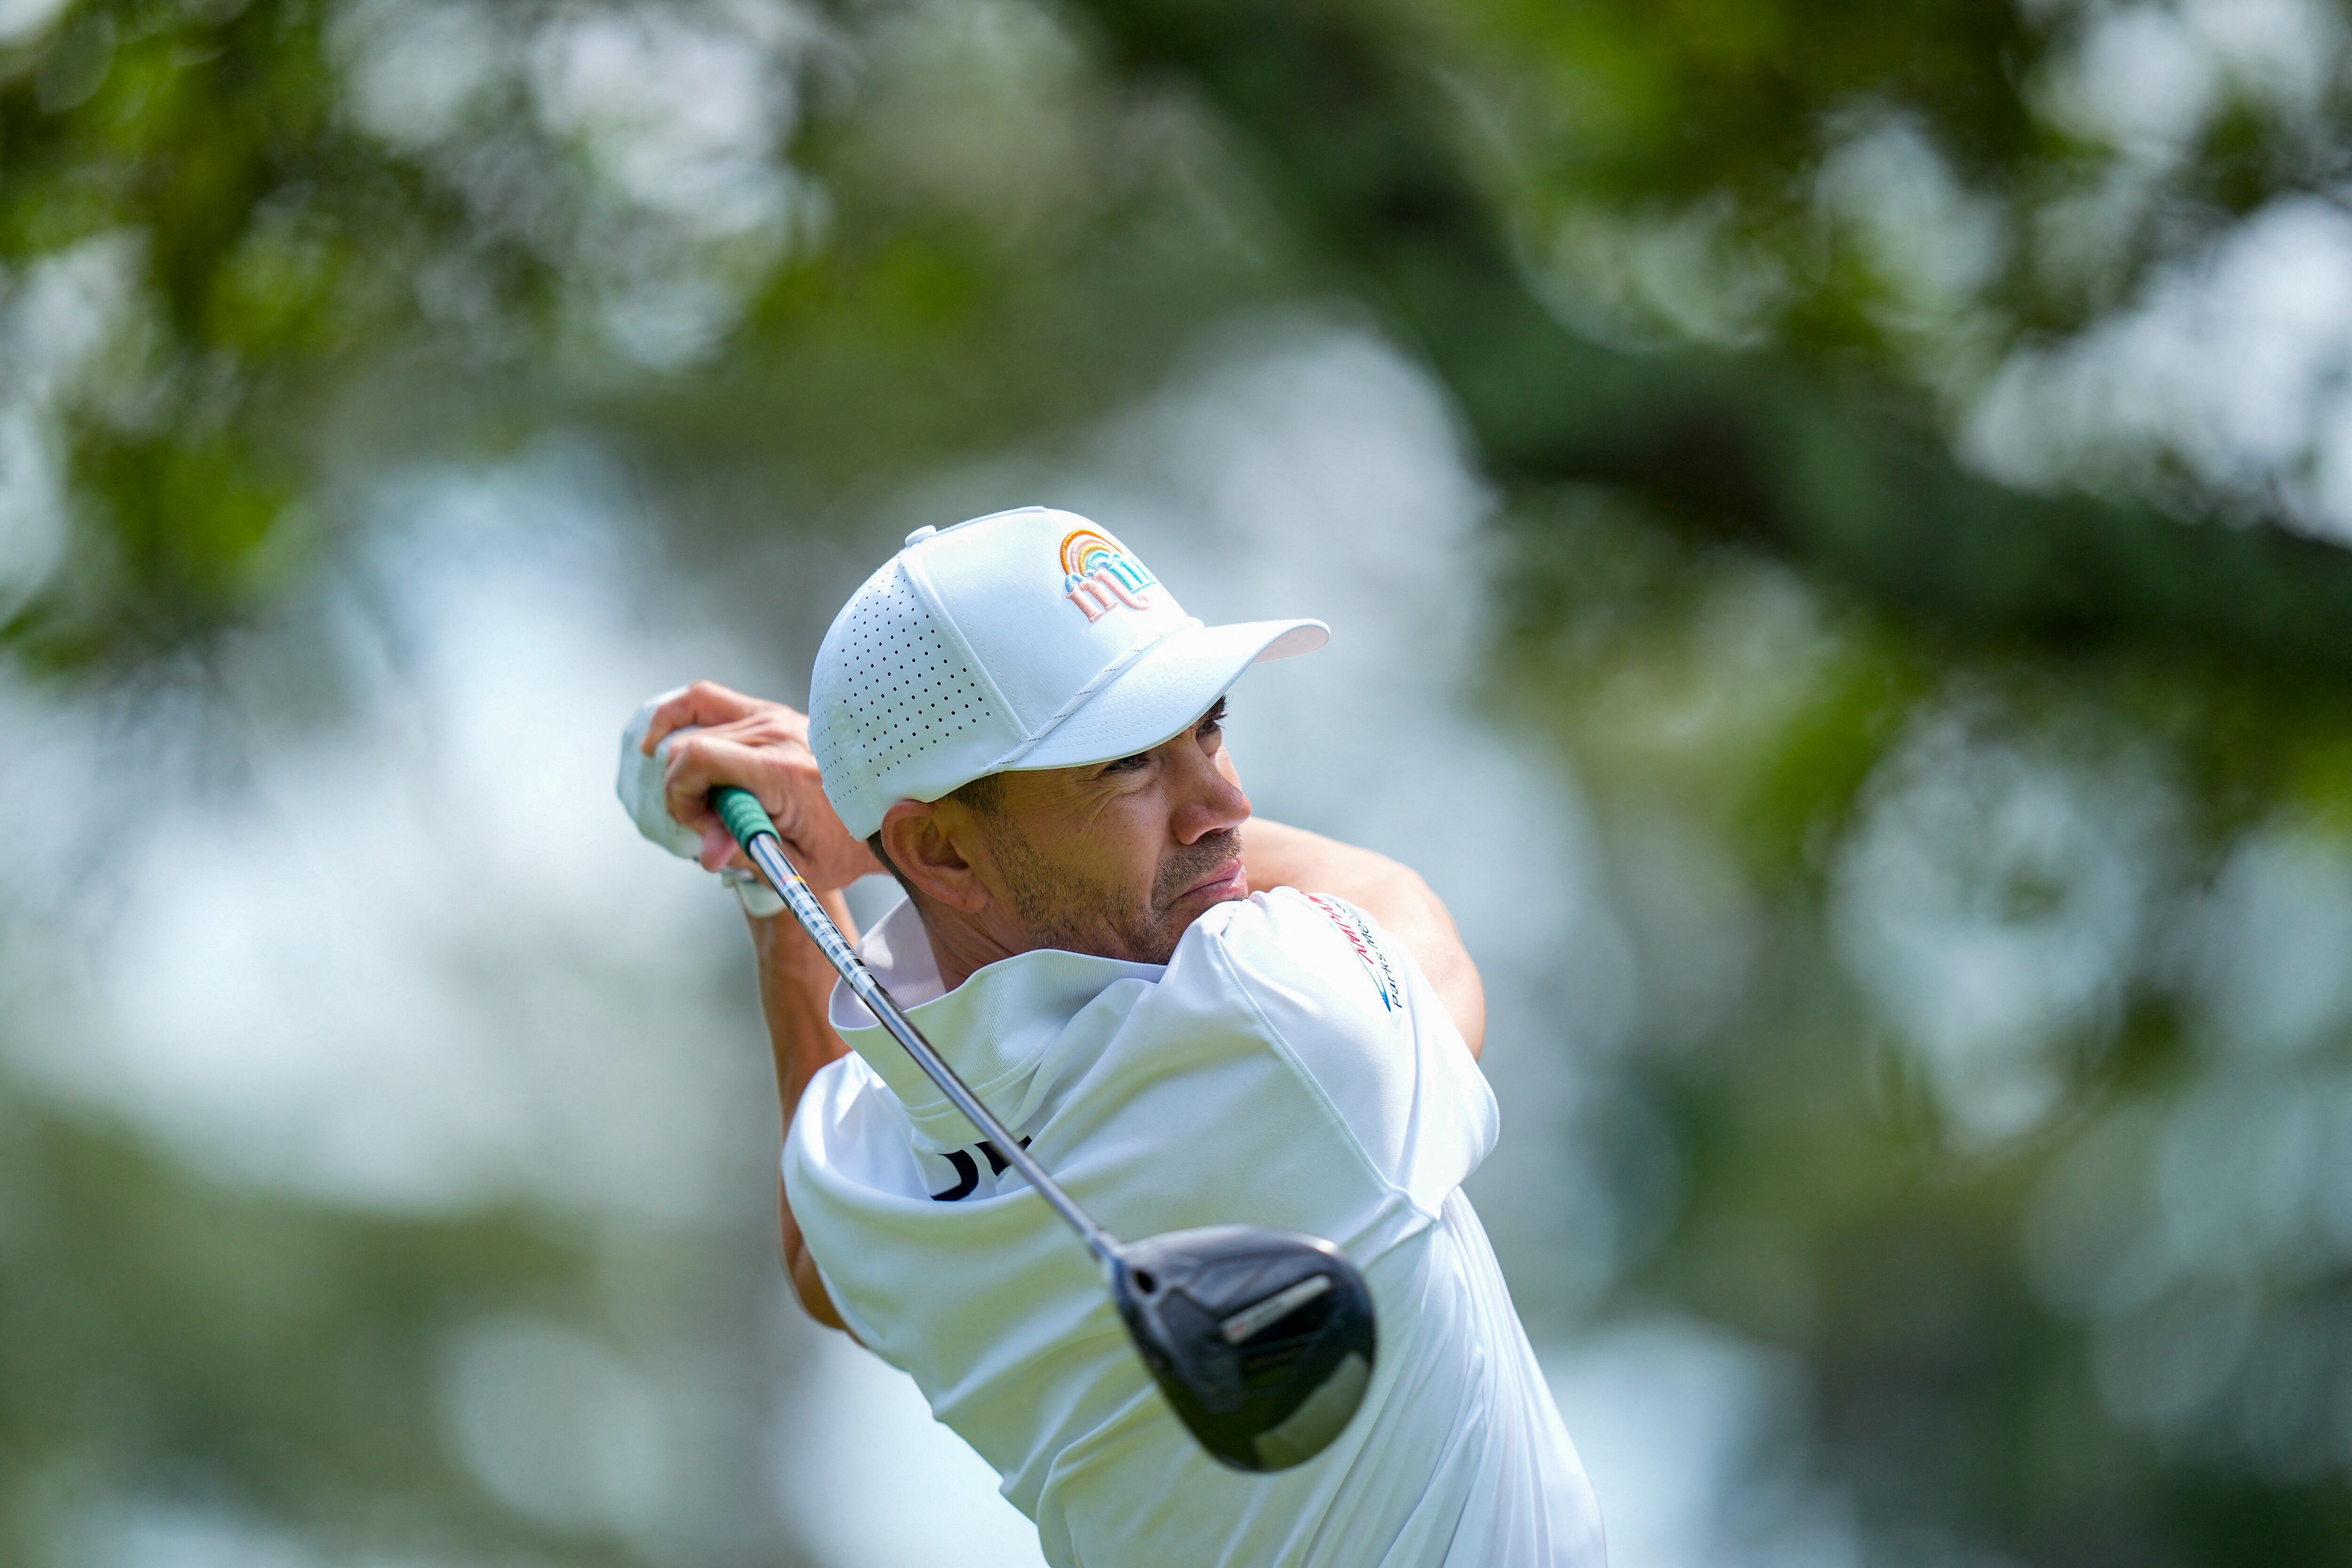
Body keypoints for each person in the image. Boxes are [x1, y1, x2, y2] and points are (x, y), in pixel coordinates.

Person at [625, 507, 1605, 1566]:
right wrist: (853, 834)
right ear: (944, 853)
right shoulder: (1284, 1025)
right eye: (1130, 764)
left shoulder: (876, 1190)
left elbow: (821, 1256)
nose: (1225, 800)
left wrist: (784, 883)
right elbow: (1398, 902)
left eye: (1207, 729)